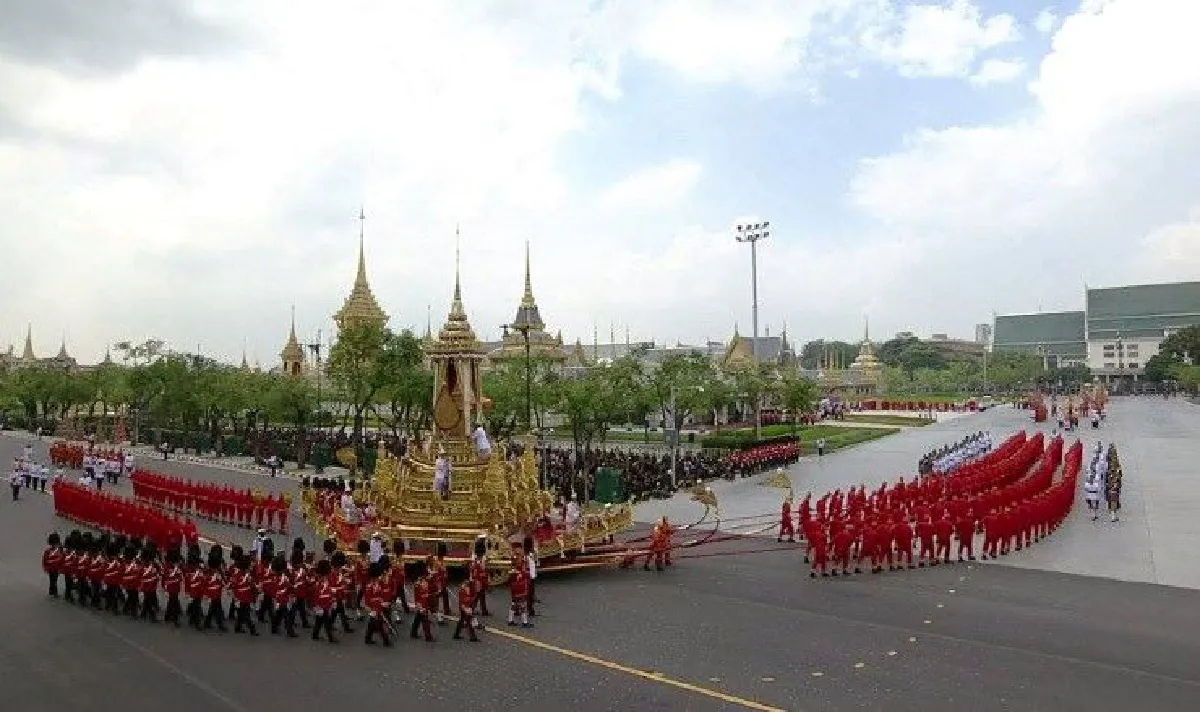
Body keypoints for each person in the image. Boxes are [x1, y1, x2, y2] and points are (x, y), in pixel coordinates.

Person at [42, 532, 65, 597]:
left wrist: (45, 567)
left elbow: (45, 560)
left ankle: (51, 591)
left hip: (53, 568)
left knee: (52, 580)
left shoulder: (48, 551)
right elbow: (61, 558)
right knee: (54, 580)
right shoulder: (57, 551)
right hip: (53, 568)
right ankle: (54, 592)